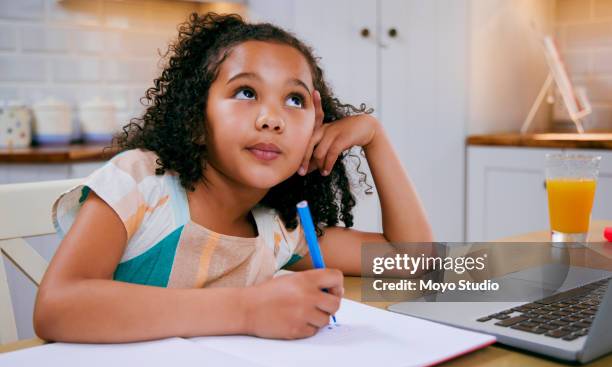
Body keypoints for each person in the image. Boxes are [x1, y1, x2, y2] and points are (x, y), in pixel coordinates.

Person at [34, 13, 432, 343]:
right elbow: (57, 307)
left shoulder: (278, 230)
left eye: (295, 100)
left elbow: (416, 262)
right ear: (195, 118)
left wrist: (375, 138)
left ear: (314, 126)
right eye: (245, 92)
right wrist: (249, 309)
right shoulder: (141, 184)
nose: (271, 118)